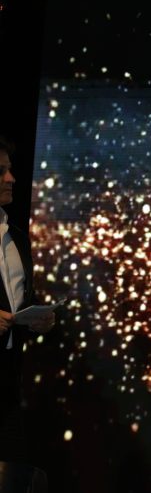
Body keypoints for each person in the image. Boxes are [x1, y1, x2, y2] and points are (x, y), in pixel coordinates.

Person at [1, 136, 56, 463]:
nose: (11, 178)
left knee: (11, 480)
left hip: (7, 385)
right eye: (1, 171)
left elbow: (21, 301)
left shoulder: (18, 239)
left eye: (10, 170)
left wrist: (36, 319)